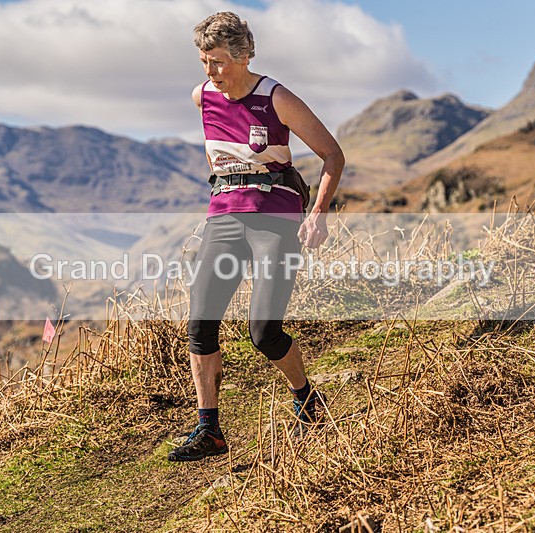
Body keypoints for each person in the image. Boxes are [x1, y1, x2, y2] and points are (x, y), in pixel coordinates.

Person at [167, 11, 344, 462]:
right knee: (199, 325)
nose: (210, 72)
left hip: (275, 218)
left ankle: (306, 398)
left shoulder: (276, 98)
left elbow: (332, 155)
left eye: (219, 62)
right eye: (204, 61)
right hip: (223, 216)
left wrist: (319, 213)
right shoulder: (201, 96)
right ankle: (210, 430)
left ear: (245, 55)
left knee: (264, 333)